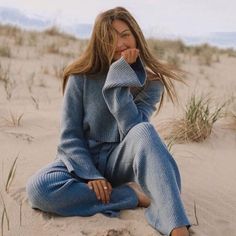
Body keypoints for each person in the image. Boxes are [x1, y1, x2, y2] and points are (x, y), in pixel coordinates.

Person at [26, 6, 191, 236]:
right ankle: (131, 195)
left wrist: (118, 80)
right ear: (100, 43)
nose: (121, 43)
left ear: (135, 36)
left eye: (125, 35)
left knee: (145, 131)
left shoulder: (151, 83)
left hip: (120, 161)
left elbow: (133, 131)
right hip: (81, 159)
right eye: (111, 38)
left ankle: (176, 226)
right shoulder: (80, 75)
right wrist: (90, 174)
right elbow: (70, 135)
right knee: (38, 189)